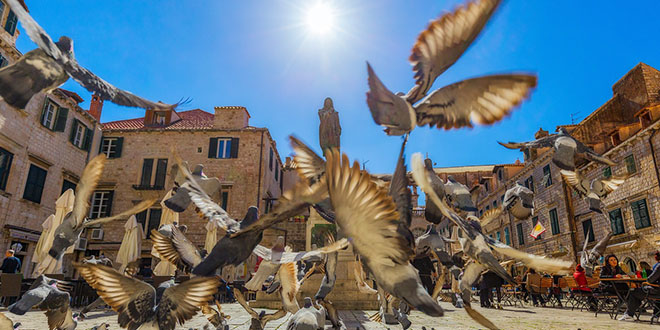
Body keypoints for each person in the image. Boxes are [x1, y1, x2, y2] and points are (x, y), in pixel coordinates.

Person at [619, 251, 660, 321]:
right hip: (657, 291)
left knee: (634, 292)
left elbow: (650, 280)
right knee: (640, 293)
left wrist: (645, 283)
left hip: (657, 291)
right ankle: (655, 315)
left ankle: (629, 314)